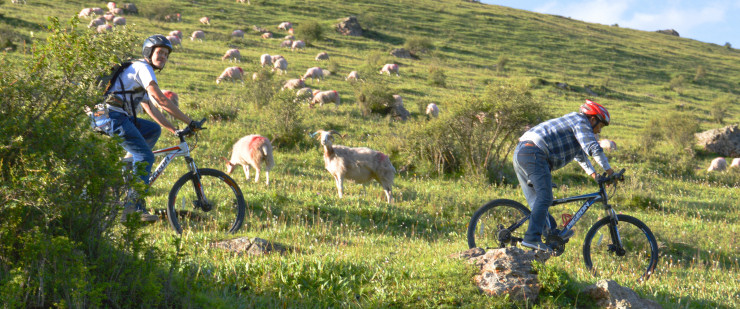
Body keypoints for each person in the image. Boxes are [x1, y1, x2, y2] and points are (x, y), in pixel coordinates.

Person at [105, 34, 202, 222]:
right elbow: (161, 99)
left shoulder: (139, 70)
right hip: (114, 117)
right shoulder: (144, 68)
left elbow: (151, 108)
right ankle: (132, 209)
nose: (164, 57)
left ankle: (129, 166)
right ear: (149, 53)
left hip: (117, 117)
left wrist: (174, 130)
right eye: (160, 52)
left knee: (152, 130)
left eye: (166, 54)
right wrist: (189, 121)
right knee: (146, 156)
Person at [513, 99, 615, 252]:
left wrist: (595, 175)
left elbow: (580, 155)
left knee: (539, 202)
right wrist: (610, 171)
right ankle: (531, 238)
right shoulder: (580, 122)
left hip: (523, 152)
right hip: (534, 153)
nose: (599, 131)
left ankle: (549, 236)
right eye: (600, 126)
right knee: (545, 197)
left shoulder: (575, 126)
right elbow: (592, 147)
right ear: (593, 119)